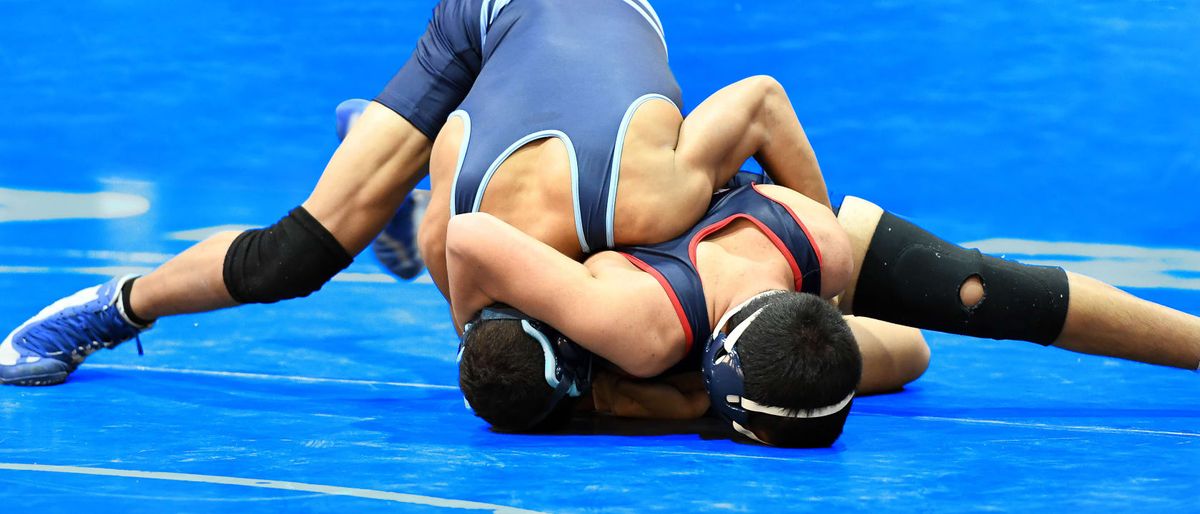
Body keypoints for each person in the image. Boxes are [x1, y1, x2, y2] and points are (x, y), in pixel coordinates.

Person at [0, 0, 827, 385]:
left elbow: (760, 103)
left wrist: (827, 246)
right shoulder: (653, 200)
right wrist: (833, 266)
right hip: (506, 19)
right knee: (295, 255)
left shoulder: (465, 237)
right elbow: (759, 96)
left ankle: (385, 149)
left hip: (486, 127)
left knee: (328, 245)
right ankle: (106, 308)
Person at [448, 183, 1200, 445]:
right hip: (724, 279)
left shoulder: (625, 331)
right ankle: (410, 212)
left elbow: (467, 234)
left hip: (748, 232)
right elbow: (907, 355)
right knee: (912, 354)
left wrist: (814, 255)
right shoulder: (626, 358)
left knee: (979, 288)